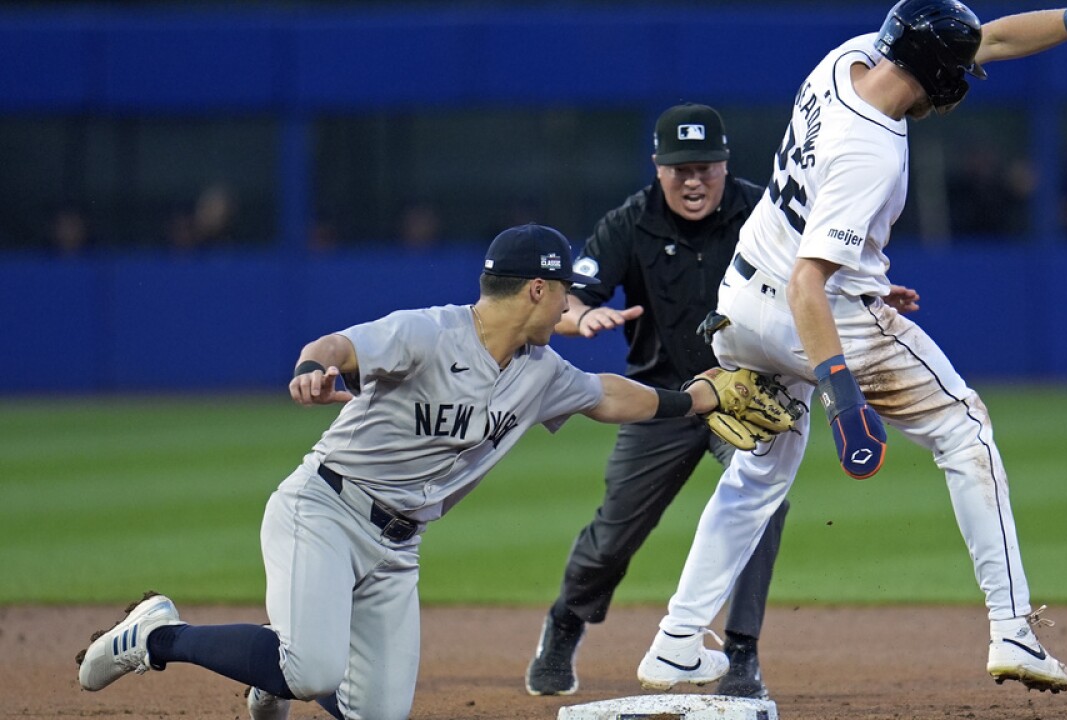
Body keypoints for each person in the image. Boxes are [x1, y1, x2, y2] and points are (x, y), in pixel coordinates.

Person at [634, 0, 1067, 696]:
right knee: (964, 427)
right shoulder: (873, 150)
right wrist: (843, 394)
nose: (967, 73)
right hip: (817, 313)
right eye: (957, 68)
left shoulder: (846, 60)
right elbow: (811, 283)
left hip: (741, 302)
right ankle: (1012, 628)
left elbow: (995, 37)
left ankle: (678, 640)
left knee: (758, 476)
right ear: (935, 71)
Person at [75, 223, 727, 720]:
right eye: (562, 294)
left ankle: (270, 670)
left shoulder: (541, 372)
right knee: (312, 671)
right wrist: (312, 369)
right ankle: (156, 635)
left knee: (375, 715)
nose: (567, 308)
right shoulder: (428, 334)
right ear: (536, 289)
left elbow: (610, 395)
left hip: (396, 546)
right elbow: (337, 347)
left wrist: (697, 398)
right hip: (324, 510)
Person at [524, 104, 783, 699]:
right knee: (616, 532)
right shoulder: (631, 222)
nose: (693, 181)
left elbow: (812, 274)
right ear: (657, 169)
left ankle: (741, 651)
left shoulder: (762, 212)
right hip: (662, 398)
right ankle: (566, 619)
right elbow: (566, 300)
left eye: (705, 168)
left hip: (742, 394)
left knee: (763, 503)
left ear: (724, 164)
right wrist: (584, 316)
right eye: (679, 169)